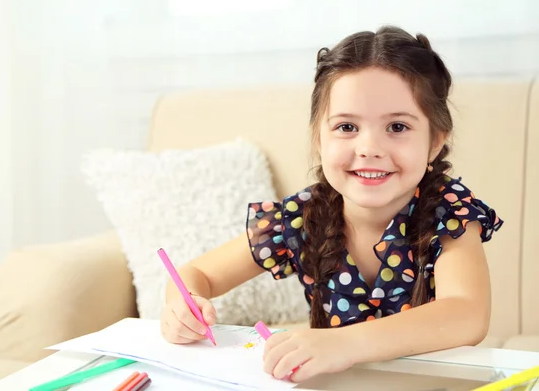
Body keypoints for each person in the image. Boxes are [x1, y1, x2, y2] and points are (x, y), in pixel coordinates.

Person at [159, 25, 504, 383]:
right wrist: (182, 306)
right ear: (319, 139)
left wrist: (342, 344)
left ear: (435, 141)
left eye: (398, 127)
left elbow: (467, 314)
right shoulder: (301, 217)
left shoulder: (449, 211)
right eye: (347, 127)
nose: (369, 148)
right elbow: (196, 275)